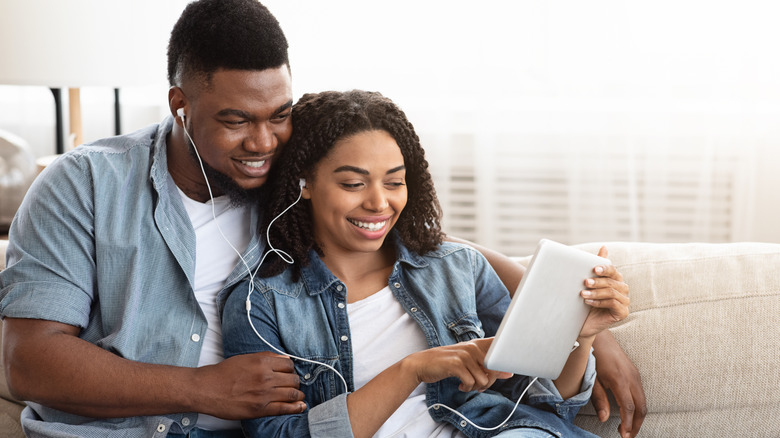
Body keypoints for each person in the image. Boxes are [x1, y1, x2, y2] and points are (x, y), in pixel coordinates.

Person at [0, 1, 645, 437]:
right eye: (234, 121)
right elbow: (29, 364)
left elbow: (415, 240)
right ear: (180, 104)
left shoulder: (286, 179)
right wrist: (205, 390)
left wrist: (579, 323)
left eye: (277, 113)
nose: (261, 141)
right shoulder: (80, 186)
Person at [220, 90, 631, 437]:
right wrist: (411, 370)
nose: (380, 203)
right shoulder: (261, 303)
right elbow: (276, 434)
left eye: (395, 182)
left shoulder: (457, 268)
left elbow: (541, 398)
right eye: (353, 184)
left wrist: (582, 336)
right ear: (304, 183)